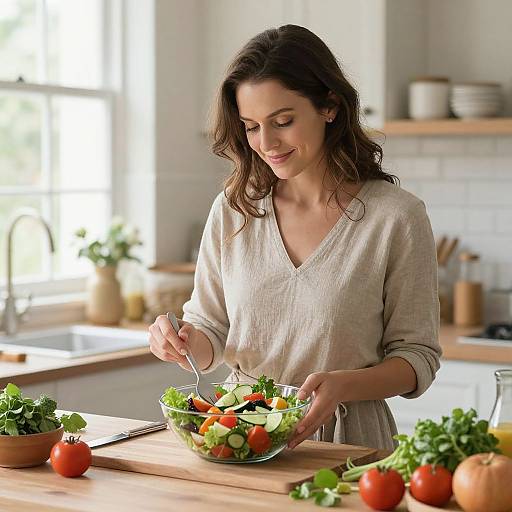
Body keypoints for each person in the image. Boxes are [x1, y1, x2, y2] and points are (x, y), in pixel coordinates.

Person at [148, 24, 441, 450]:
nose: (266, 143)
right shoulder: (234, 209)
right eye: (250, 127)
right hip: (242, 437)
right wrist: (181, 341)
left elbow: (418, 359)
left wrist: (346, 385)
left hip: (350, 446)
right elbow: (210, 330)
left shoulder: (396, 218)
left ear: (330, 107)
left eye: (282, 121)